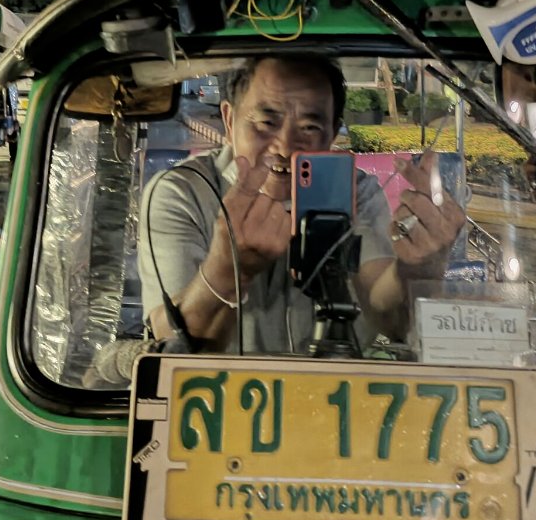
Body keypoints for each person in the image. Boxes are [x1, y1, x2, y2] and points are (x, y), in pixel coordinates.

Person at [139, 56, 466, 354]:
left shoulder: (355, 191)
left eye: (310, 127)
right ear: (228, 120)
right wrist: (226, 270)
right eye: (266, 123)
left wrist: (417, 267)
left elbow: (388, 315)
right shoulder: (184, 193)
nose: (285, 147)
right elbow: (169, 342)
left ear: (332, 133)